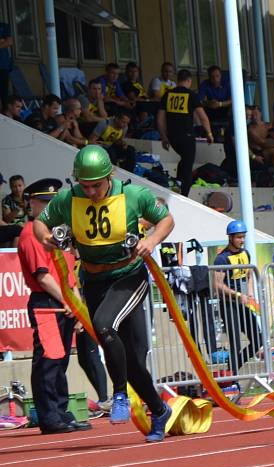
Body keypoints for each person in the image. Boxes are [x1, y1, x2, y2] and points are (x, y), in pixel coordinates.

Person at [34, 145, 175, 442]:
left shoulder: (134, 195)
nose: (91, 191)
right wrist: (47, 238)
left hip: (128, 276)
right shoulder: (68, 199)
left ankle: (120, 395)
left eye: (96, 185)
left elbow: (166, 220)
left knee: (104, 326)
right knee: (130, 359)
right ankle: (160, 410)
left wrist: (152, 240)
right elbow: (38, 223)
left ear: (109, 176)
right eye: (85, 185)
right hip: (94, 278)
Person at [18, 178, 91, 434]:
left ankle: (61, 412)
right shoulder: (31, 233)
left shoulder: (58, 234)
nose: (50, 207)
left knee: (60, 362)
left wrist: (78, 307)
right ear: (32, 204)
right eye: (44, 203)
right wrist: (67, 301)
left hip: (62, 301)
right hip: (48, 302)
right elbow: (42, 276)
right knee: (49, 361)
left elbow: (70, 274)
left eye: (53, 203)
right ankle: (50, 417)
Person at [213, 220, 263, 376]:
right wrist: (237, 295)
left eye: (243, 237)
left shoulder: (245, 254)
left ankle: (232, 370)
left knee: (258, 339)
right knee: (234, 343)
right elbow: (217, 285)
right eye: (238, 237)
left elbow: (248, 276)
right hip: (228, 305)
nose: (241, 240)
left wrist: (250, 293)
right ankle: (233, 377)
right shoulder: (222, 259)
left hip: (243, 304)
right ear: (230, 238)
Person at [157, 69, 214, 196]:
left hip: (173, 137)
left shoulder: (168, 95)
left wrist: (163, 137)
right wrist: (209, 133)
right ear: (189, 81)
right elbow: (203, 117)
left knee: (184, 161)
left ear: (178, 80)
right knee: (187, 166)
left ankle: (178, 185)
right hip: (187, 136)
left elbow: (160, 119)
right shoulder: (191, 95)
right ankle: (184, 195)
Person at [199, 65, 232, 133]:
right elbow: (200, 100)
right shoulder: (205, 84)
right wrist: (208, 103)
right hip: (210, 109)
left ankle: (233, 134)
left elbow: (234, 99)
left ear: (221, 75)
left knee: (235, 107)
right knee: (196, 108)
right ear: (209, 77)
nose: (215, 79)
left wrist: (220, 104)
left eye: (217, 76)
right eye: (212, 77)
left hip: (226, 109)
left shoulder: (227, 83)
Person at [0, 173, 23, 248]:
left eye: (20, 186)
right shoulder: (7, 200)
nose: (18, 189)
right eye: (14, 186)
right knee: (18, 230)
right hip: (10, 226)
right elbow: (6, 220)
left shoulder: (28, 198)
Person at [0, 21, 11, 110]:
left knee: (4, 94)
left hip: (2, 65)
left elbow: (9, 42)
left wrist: (4, 42)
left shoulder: (3, 26)